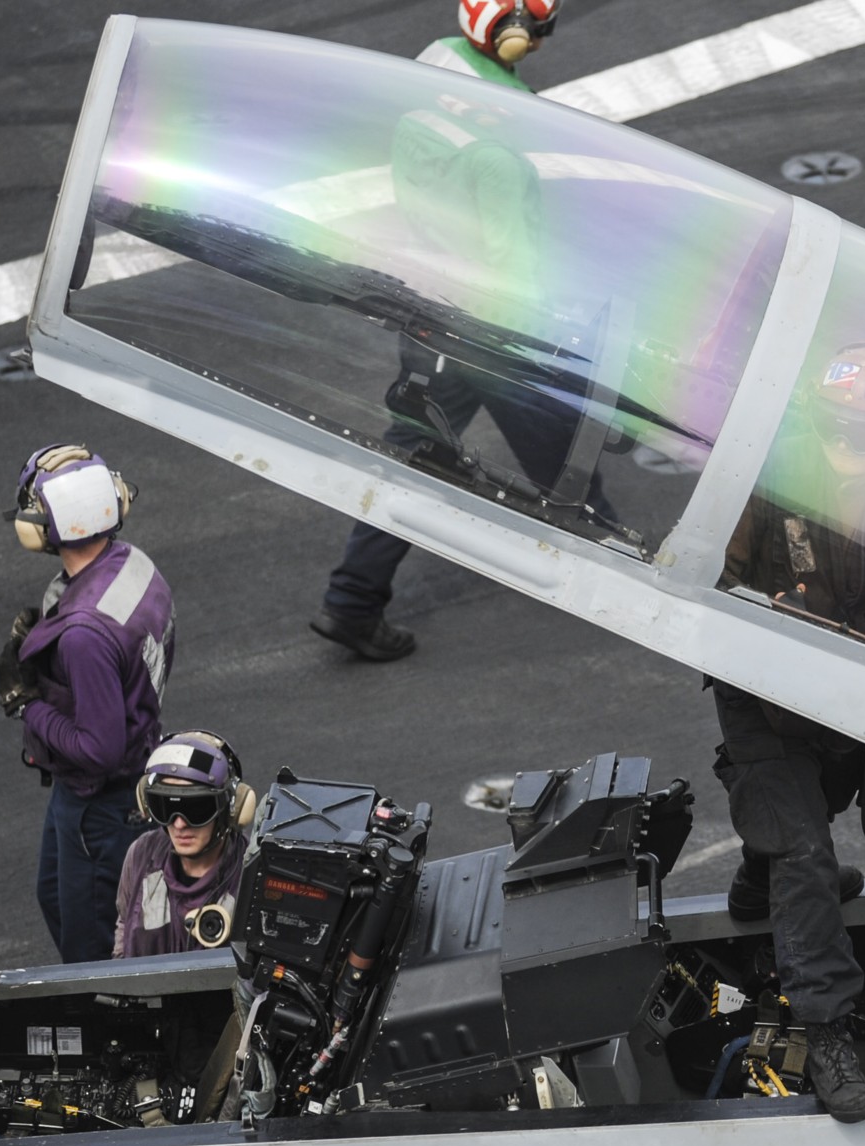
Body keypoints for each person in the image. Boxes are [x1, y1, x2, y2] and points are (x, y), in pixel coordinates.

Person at [709, 342, 865, 1124]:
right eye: (841, 433)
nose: (853, 450)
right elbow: (711, 582)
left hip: (847, 692)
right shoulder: (766, 476)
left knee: (822, 803)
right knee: (806, 848)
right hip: (766, 686)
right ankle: (827, 1028)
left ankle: (759, 877)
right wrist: (772, 616)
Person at [311, 0, 572, 663]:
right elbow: (514, 271)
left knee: (414, 449)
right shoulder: (502, 150)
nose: (541, 40)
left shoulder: (434, 65)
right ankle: (617, 566)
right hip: (485, 327)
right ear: (512, 34)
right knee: (564, 452)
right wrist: (546, 343)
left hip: (427, 300)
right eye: (539, 27)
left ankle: (351, 600)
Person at [0, 445, 176, 964]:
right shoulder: (135, 564)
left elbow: (97, 749)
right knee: (52, 895)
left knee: (92, 947)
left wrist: (24, 703)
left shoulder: (83, 636)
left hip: (100, 804)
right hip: (101, 790)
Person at [115, 731, 256, 958]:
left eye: (196, 810)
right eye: (166, 808)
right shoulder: (141, 854)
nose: (179, 824)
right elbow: (124, 923)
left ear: (231, 808)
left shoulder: (252, 874)